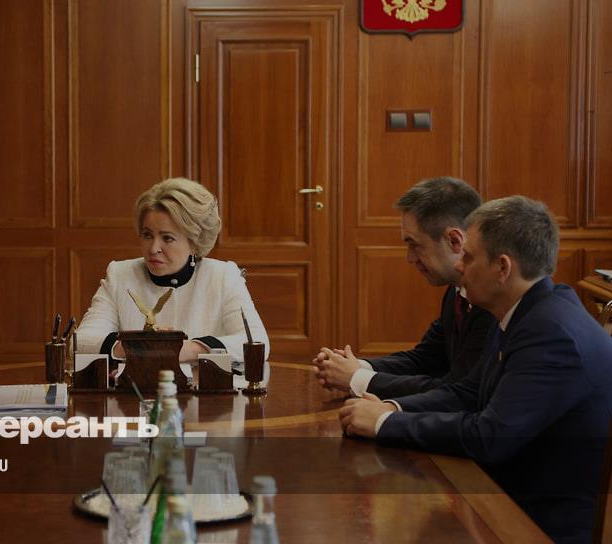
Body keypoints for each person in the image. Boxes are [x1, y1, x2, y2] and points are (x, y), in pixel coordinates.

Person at [339, 196, 612, 542]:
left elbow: (491, 437)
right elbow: (469, 393)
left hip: (539, 521)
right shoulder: (527, 311)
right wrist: (391, 408)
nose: (460, 267)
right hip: (504, 494)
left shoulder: (551, 334)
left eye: (468, 257)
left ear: (503, 268)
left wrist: (384, 423)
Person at [313, 177, 495, 398]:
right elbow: (426, 359)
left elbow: (457, 391)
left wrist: (357, 379)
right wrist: (354, 366)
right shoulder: (456, 292)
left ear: (454, 241)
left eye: (415, 245)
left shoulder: (491, 301)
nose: (410, 258)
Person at [76, 177, 268, 363]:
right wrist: (139, 347)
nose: (153, 249)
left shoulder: (223, 277)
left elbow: (257, 344)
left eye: (167, 238)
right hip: (136, 386)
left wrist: (188, 349)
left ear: (195, 242)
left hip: (202, 386)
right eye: (147, 235)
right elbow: (79, 343)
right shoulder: (120, 274)